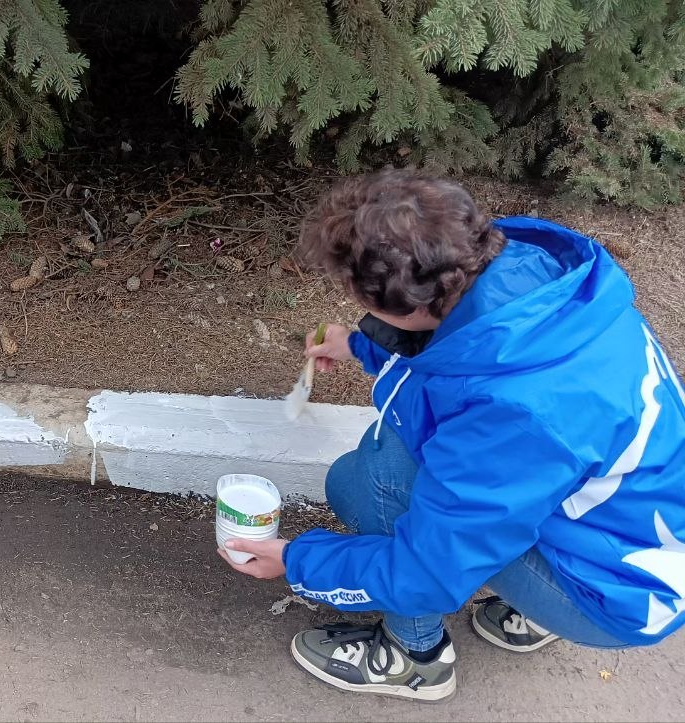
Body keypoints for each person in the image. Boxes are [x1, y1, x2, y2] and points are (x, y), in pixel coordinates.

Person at [219, 170, 685, 701]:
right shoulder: (537, 281)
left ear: (415, 306)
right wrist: (360, 344)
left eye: (359, 298)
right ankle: (532, 607)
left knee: (367, 483)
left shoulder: (515, 412)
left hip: (620, 593)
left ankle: (415, 658)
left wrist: (296, 561)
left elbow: (426, 572)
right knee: (407, 468)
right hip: (641, 531)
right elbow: (458, 350)